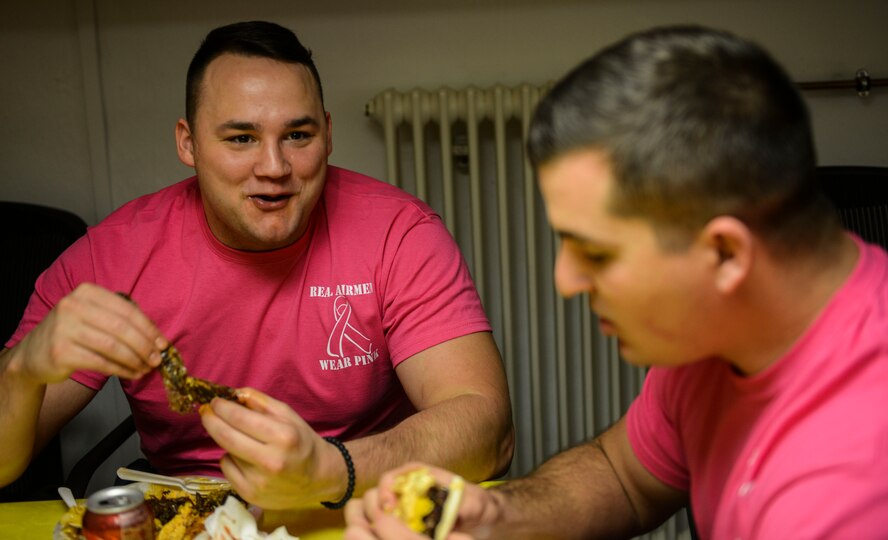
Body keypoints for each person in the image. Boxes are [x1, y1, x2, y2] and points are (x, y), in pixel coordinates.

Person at [344, 25, 888, 539]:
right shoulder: (713, 335)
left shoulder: (848, 484)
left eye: (596, 253)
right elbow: (622, 475)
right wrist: (498, 518)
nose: (565, 281)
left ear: (725, 254)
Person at [0, 20, 514, 516]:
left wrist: (332, 470)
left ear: (329, 134)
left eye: (297, 135)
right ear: (188, 143)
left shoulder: (398, 232)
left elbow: (489, 430)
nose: (273, 167)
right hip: (188, 515)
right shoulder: (113, 255)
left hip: (360, 503)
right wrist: (23, 371)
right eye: (241, 138)